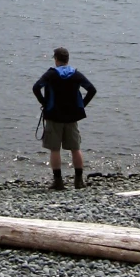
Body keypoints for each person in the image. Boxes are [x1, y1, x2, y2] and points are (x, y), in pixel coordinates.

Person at [32, 46, 97, 190]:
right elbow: (91, 90)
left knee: (55, 149)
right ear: (67, 59)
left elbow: (36, 88)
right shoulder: (76, 74)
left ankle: (58, 182)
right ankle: (79, 181)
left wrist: (44, 103)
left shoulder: (51, 74)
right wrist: (81, 106)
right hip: (72, 117)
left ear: (56, 59)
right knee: (75, 148)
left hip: (54, 116)